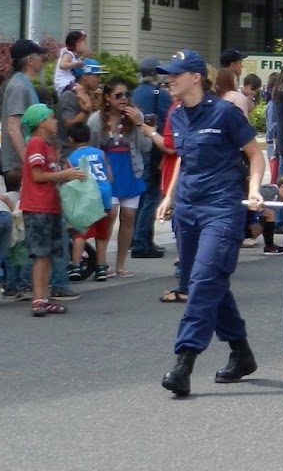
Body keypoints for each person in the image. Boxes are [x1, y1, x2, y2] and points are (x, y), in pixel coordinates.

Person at [156, 49, 267, 396]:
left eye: (175, 74)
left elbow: (254, 153)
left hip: (222, 208)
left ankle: (184, 361)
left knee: (204, 281)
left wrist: (254, 190)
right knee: (205, 282)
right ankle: (241, 353)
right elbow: (183, 160)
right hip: (187, 209)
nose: (169, 80)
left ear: (194, 77)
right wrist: (170, 196)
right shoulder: (175, 115)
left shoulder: (224, 113)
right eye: (167, 75)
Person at [18, 102, 87, 315]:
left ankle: (43, 297)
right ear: (41, 122)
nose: (55, 121)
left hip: (50, 205)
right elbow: (37, 175)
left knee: (48, 254)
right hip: (38, 206)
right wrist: (65, 175)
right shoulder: (36, 143)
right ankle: (38, 298)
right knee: (41, 254)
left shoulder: (47, 145)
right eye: (51, 117)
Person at [92, 78, 155, 277]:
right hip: (108, 172)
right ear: (108, 98)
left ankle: (120, 264)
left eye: (127, 95)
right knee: (109, 216)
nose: (123, 99)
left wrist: (139, 123)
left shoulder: (136, 116)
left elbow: (147, 147)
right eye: (118, 95)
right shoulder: (96, 120)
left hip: (131, 169)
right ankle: (102, 263)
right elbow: (92, 149)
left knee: (128, 218)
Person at [130, 59, 171, 259]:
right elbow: (168, 119)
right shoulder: (161, 94)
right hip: (154, 146)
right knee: (152, 194)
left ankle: (136, 236)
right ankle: (142, 241)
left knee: (141, 194)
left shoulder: (135, 93)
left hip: (136, 147)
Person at [65, 120, 113, 282]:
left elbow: (69, 181)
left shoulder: (72, 158)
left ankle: (75, 265)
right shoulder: (100, 153)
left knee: (81, 233)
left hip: (87, 197)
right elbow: (110, 175)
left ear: (71, 139)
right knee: (101, 234)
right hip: (105, 195)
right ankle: (101, 268)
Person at [0, 39, 46, 191]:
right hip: (18, 165)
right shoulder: (18, 86)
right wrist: (28, 161)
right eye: (39, 56)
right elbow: (13, 128)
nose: (42, 59)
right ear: (30, 60)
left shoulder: (24, 84)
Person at [54, 30, 88, 95]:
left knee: (82, 89)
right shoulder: (68, 54)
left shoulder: (74, 55)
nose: (85, 46)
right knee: (80, 89)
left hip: (69, 82)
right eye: (84, 43)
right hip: (64, 84)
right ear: (78, 44)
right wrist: (77, 64)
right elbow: (62, 65)